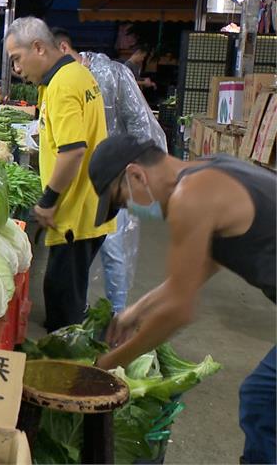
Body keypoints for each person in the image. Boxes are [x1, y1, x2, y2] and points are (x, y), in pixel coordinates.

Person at [89, 135, 275, 464]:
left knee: (263, 399)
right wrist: (136, 311)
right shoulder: (208, 170)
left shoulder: (190, 197)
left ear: (136, 175)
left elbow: (179, 309)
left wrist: (108, 365)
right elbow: (200, 269)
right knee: (263, 396)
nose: (129, 210)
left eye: (122, 200)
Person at [4, 17, 114, 331]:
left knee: (63, 302)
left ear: (38, 47)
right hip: (91, 202)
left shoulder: (62, 85)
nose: (17, 70)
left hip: (75, 211)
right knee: (66, 289)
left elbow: (74, 149)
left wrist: (48, 200)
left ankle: (69, 366)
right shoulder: (77, 73)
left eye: (17, 59)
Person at [52, 27, 168, 313]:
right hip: (80, 180)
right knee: (80, 249)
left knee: (114, 250)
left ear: (63, 48)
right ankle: (81, 308)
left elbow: (142, 124)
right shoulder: (60, 81)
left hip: (117, 177)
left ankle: (116, 314)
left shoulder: (113, 74)